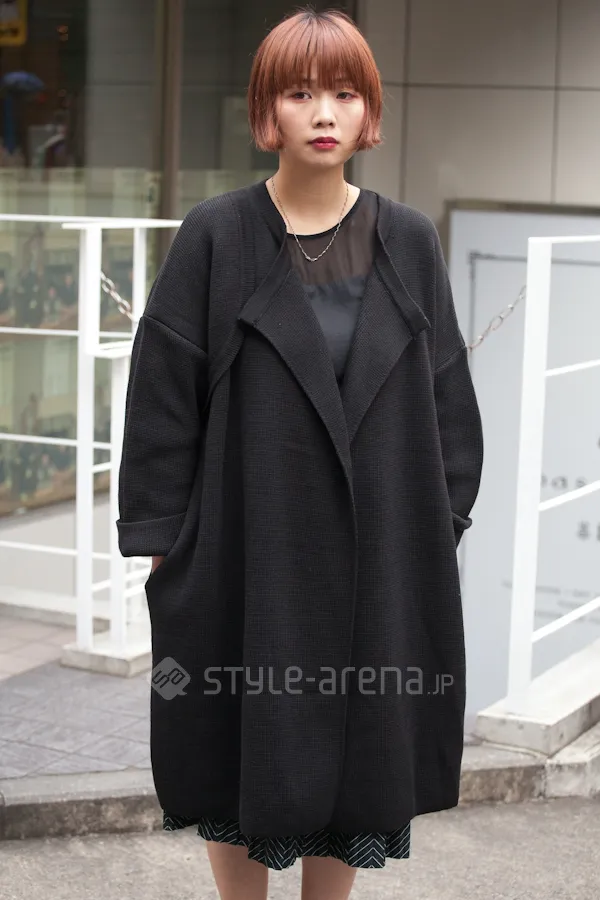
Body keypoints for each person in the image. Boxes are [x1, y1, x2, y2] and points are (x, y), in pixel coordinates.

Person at [116, 8, 484, 900]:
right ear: (265, 112)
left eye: (346, 93)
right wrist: (169, 547)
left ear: (370, 112)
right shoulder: (217, 234)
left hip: (377, 559)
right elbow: (163, 395)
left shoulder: (409, 241)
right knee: (236, 751)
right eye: (300, 92)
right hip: (247, 550)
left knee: (361, 757)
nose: (324, 112)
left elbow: (447, 399)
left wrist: (435, 526)